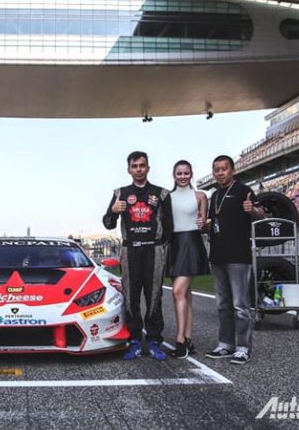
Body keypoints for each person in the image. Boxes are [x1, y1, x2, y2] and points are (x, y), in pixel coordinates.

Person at [102, 151, 173, 360]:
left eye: (142, 165)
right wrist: (114, 210)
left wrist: (161, 248)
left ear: (148, 168)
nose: (139, 169)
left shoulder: (161, 193)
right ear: (129, 169)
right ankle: (133, 340)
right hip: (130, 250)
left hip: (154, 250)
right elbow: (107, 224)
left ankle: (153, 340)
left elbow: (169, 227)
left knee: (154, 297)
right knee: (131, 297)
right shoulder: (120, 193)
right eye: (135, 166)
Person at [201, 155, 265, 365]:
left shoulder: (243, 190)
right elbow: (214, 222)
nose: (220, 173)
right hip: (218, 255)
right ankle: (225, 344)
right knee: (222, 305)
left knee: (240, 305)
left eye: (224, 169)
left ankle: (243, 347)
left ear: (232, 170)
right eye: (216, 169)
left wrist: (253, 210)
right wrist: (204, 225)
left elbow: (261, 215)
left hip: (238, 256)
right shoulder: (215, 195)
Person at [166, 161, 209, 359]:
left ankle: (181, 340)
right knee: (186, 295)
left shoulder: (200, 196)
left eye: (186, 173)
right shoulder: (167, 197)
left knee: (178, 291)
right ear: (174, 175)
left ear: (191, 174)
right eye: (179, 173)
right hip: (174, 245)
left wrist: (203, 223)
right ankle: (189, 339)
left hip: (191, 244)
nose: (182, 176)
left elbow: (203, 225)